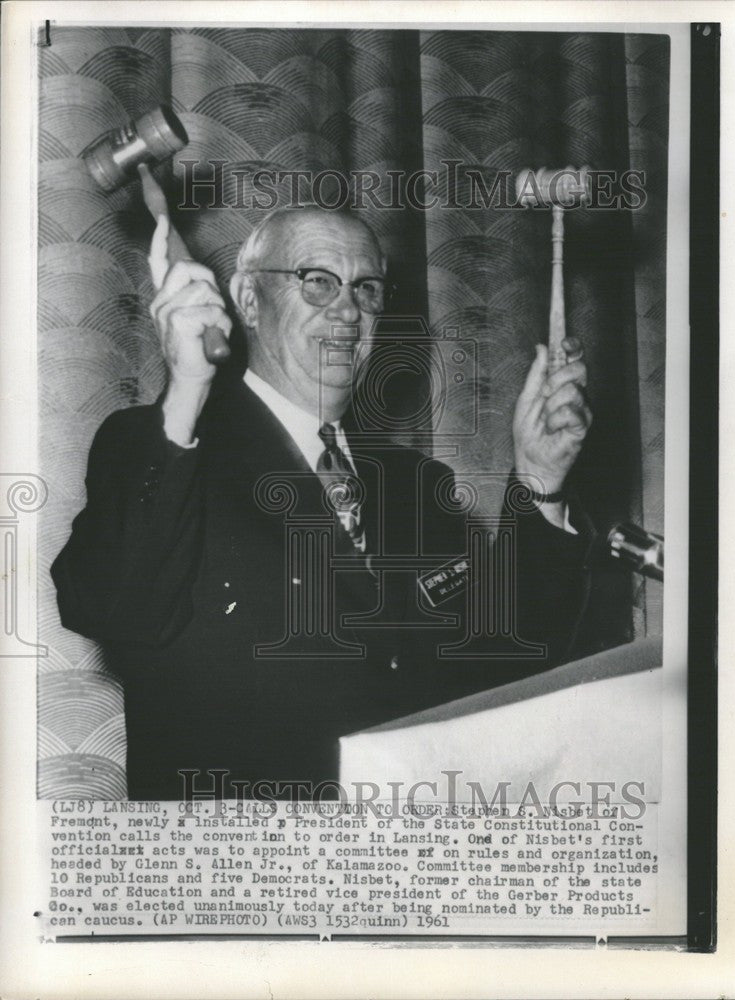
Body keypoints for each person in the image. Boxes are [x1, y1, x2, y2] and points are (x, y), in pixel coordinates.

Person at [51, 206, 594, 801]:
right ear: (249, 302)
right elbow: (114, 606)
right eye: (318, 281)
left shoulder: (418, 485)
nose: (348, 310)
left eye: (367, 288)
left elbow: (506, 670)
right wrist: (186, 390)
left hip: (405, 866)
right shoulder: (164, 445)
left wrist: (541, 480)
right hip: (238, 875)